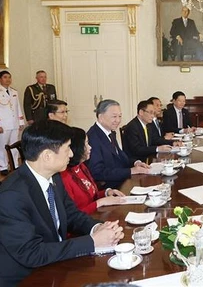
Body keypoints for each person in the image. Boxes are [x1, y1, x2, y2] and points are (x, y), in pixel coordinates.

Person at [0, 120, 124, 286]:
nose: (72, 154)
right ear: (47, 156)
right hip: (28, 277)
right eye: (67, 148)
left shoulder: (53, 176)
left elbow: (71, 215)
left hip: (56, 262)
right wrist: (93, 241)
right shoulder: (12, 195)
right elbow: (31, 253)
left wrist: (98, 228)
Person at [86, 99, 150, 189]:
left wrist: (136, 163)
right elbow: (98, 172)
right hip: (110, 187)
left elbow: (121, 157)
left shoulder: (110, 132)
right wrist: (130, 171)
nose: (118, 120)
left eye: (120, 116)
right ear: (100, 117)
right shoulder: (93, 138)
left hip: (121, 180)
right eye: (114, 116)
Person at [61, 127, 125, 215]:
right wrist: (100, 203)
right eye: (86, 144)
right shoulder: (64, 177)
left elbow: (92, 195)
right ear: (77, 147)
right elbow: (73, 216)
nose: (90, 147)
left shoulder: (81, 166)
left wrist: (107, 192)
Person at [0, 71, 25, 175]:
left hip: (14, 123)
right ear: (0, 79)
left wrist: (20, 121)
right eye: (5, 77)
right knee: (2, 146)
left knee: (14, 145)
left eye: (9, 77)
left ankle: (14, 164)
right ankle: (3, 166)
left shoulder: (14, 91)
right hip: (3, 125)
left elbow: (17, 107)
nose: (8, 79)